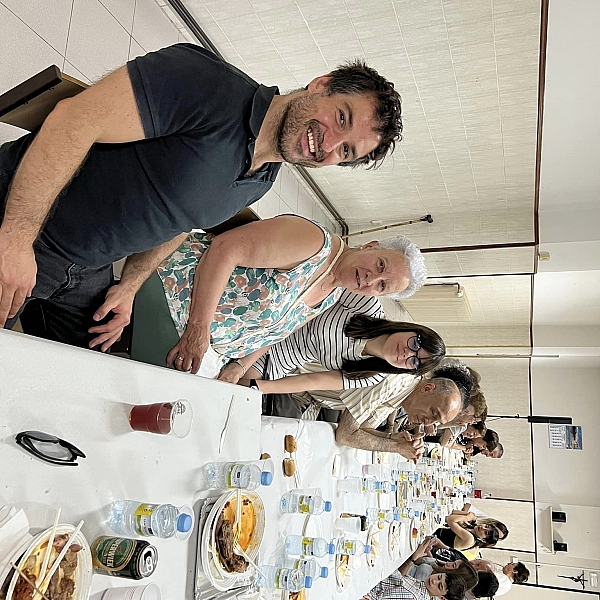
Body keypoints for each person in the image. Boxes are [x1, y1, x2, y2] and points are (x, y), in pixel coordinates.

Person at [0, 43, 403, 348]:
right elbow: (74, 119)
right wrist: (15, 239)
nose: (328, 144)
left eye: (346, 151)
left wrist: (130, 285)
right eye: (341, 117)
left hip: (86, 270)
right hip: (26, 224)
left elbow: (181, 223)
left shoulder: (263, 177)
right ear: (322, 85)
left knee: (78, 386)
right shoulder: (208, 83)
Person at [112, 219, 426, 375]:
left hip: (207, 346)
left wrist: (237, 369)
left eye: (383, 286)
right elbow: (224, 250)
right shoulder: (314, 244)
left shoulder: (332, 293)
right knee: (156, 401)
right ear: (371, 246)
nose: (373, 279)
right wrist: (198, 330)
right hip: (176, 297)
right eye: (380, 265)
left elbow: (274, 333)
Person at [335, 367, 469, 460]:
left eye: (436, 422)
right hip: (314, 394)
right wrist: (397, 447)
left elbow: (364, 428)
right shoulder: (393, 383)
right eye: (434, 413)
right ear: (427, 389)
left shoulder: (402, 396)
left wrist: (393, 437)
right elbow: (345, 434)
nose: (428, 423)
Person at [365, 538, 477, 600]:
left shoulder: (413, 596)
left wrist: (413, 559)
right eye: (439, 577)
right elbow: (397, 578)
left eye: (439, 585)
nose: (434, 581)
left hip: (367, 589)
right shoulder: (423, 586)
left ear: (441, 597)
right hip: (376, 579)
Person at [433, 512, 508, 559]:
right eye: (486, 526)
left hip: (431, 540)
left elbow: (449, 519)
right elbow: (453, 513)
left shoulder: (470, 539)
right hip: (434, 531)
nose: (482, 528)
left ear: (483, 540)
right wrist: (467, 514)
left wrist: (467, 517)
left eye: (485, 532)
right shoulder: (472, 529)